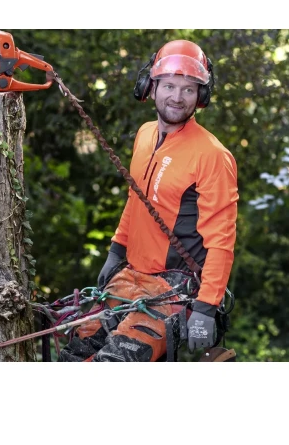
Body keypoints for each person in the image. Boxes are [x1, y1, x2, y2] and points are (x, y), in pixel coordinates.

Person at [59, 40, 239, 362]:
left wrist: (206, 307)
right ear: (150, 88)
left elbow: (221, 241)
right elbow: (136, 199)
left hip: (174, 289)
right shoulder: (144, 135)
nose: (177, 97)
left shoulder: (212, 155)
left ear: (200, 96)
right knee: (74, 352)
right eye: (169, 86)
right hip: (130, 278)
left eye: (188, 89)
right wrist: (116, 252)